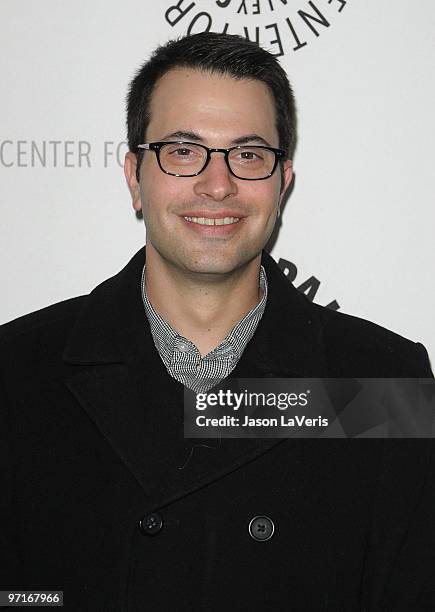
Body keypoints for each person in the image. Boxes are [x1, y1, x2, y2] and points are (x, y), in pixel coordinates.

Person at [1, 32, 434, 611]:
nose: (217, 184)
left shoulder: (384, 382)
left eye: (249, 154)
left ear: (282, 184)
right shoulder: (18, 373)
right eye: (183, 151)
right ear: (135, 177)